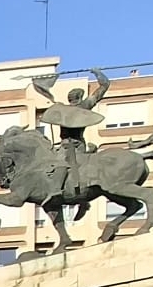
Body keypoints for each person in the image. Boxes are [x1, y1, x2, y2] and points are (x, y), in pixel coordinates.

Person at [31, 68, 109, 201]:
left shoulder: (65, 109)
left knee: (61, 164)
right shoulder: (81, 106)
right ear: (80, 97)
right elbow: (104, 85)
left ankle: (56, 190)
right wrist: (97, 73)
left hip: (72, 146)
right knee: (61, 166)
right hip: (72, 145)